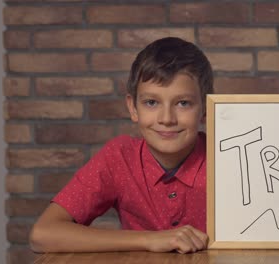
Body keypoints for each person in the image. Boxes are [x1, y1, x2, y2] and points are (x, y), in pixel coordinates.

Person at [29, 37, 213, 254]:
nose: (167, 118)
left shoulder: (225, 157)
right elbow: (42, 235)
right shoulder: (119, 158)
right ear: (133, 108)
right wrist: (149, 240)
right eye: (151, 102)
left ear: (205, 108)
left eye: (183, 103)